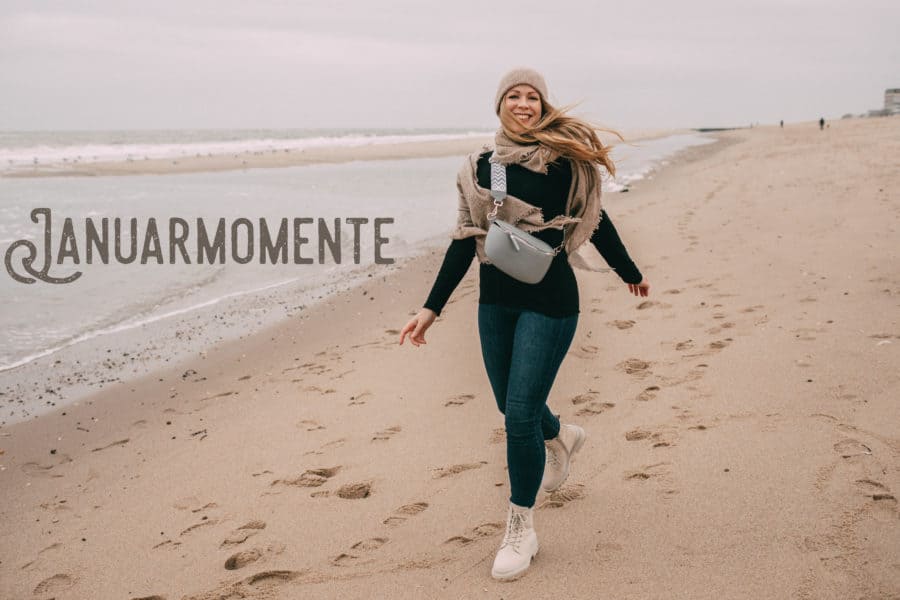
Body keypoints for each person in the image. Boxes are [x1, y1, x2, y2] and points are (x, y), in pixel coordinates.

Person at [398, 67, 650, 581]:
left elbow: (595, 221)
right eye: (513, 95)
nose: (523, 103)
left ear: (543, 105)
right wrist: (431, 308)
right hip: (495, 303)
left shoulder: (566, 165)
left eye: (532, 96)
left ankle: (520, 528)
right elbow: (463, 238)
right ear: (499, 105)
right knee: (515, 407)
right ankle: (559, 437)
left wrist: (629, 272)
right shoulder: (480, 167)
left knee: (516, 416)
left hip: (552, 301)